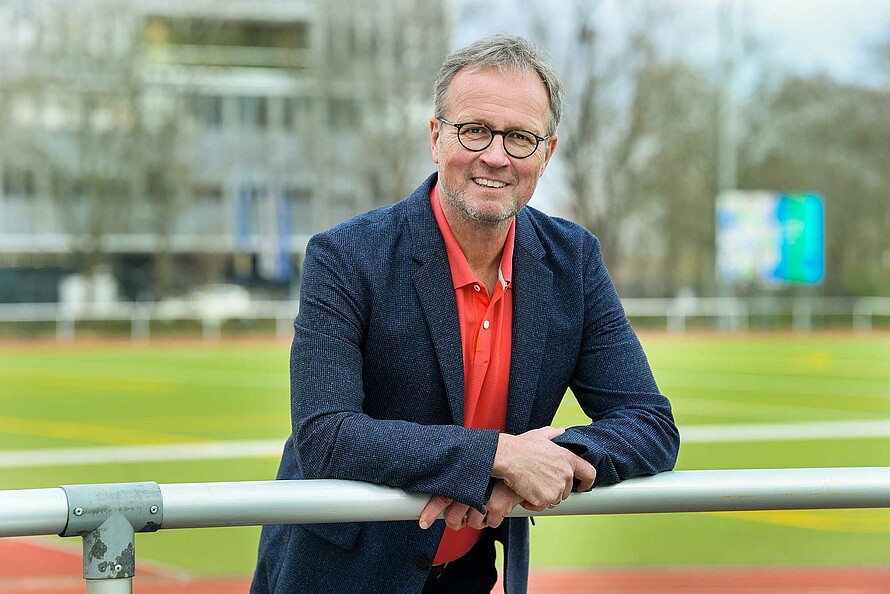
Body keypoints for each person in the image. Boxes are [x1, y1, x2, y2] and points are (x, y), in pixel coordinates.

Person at [251, 34, 679, 594]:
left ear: (546, 155)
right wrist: (496, 457)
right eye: (475, 130)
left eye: (521, 138)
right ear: (436, 137)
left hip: (469, 577)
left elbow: (649, 424)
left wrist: (547, 462)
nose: (496, 156)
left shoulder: (571, 262)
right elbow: (326, 435)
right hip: (336, 576)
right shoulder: (348, 256)